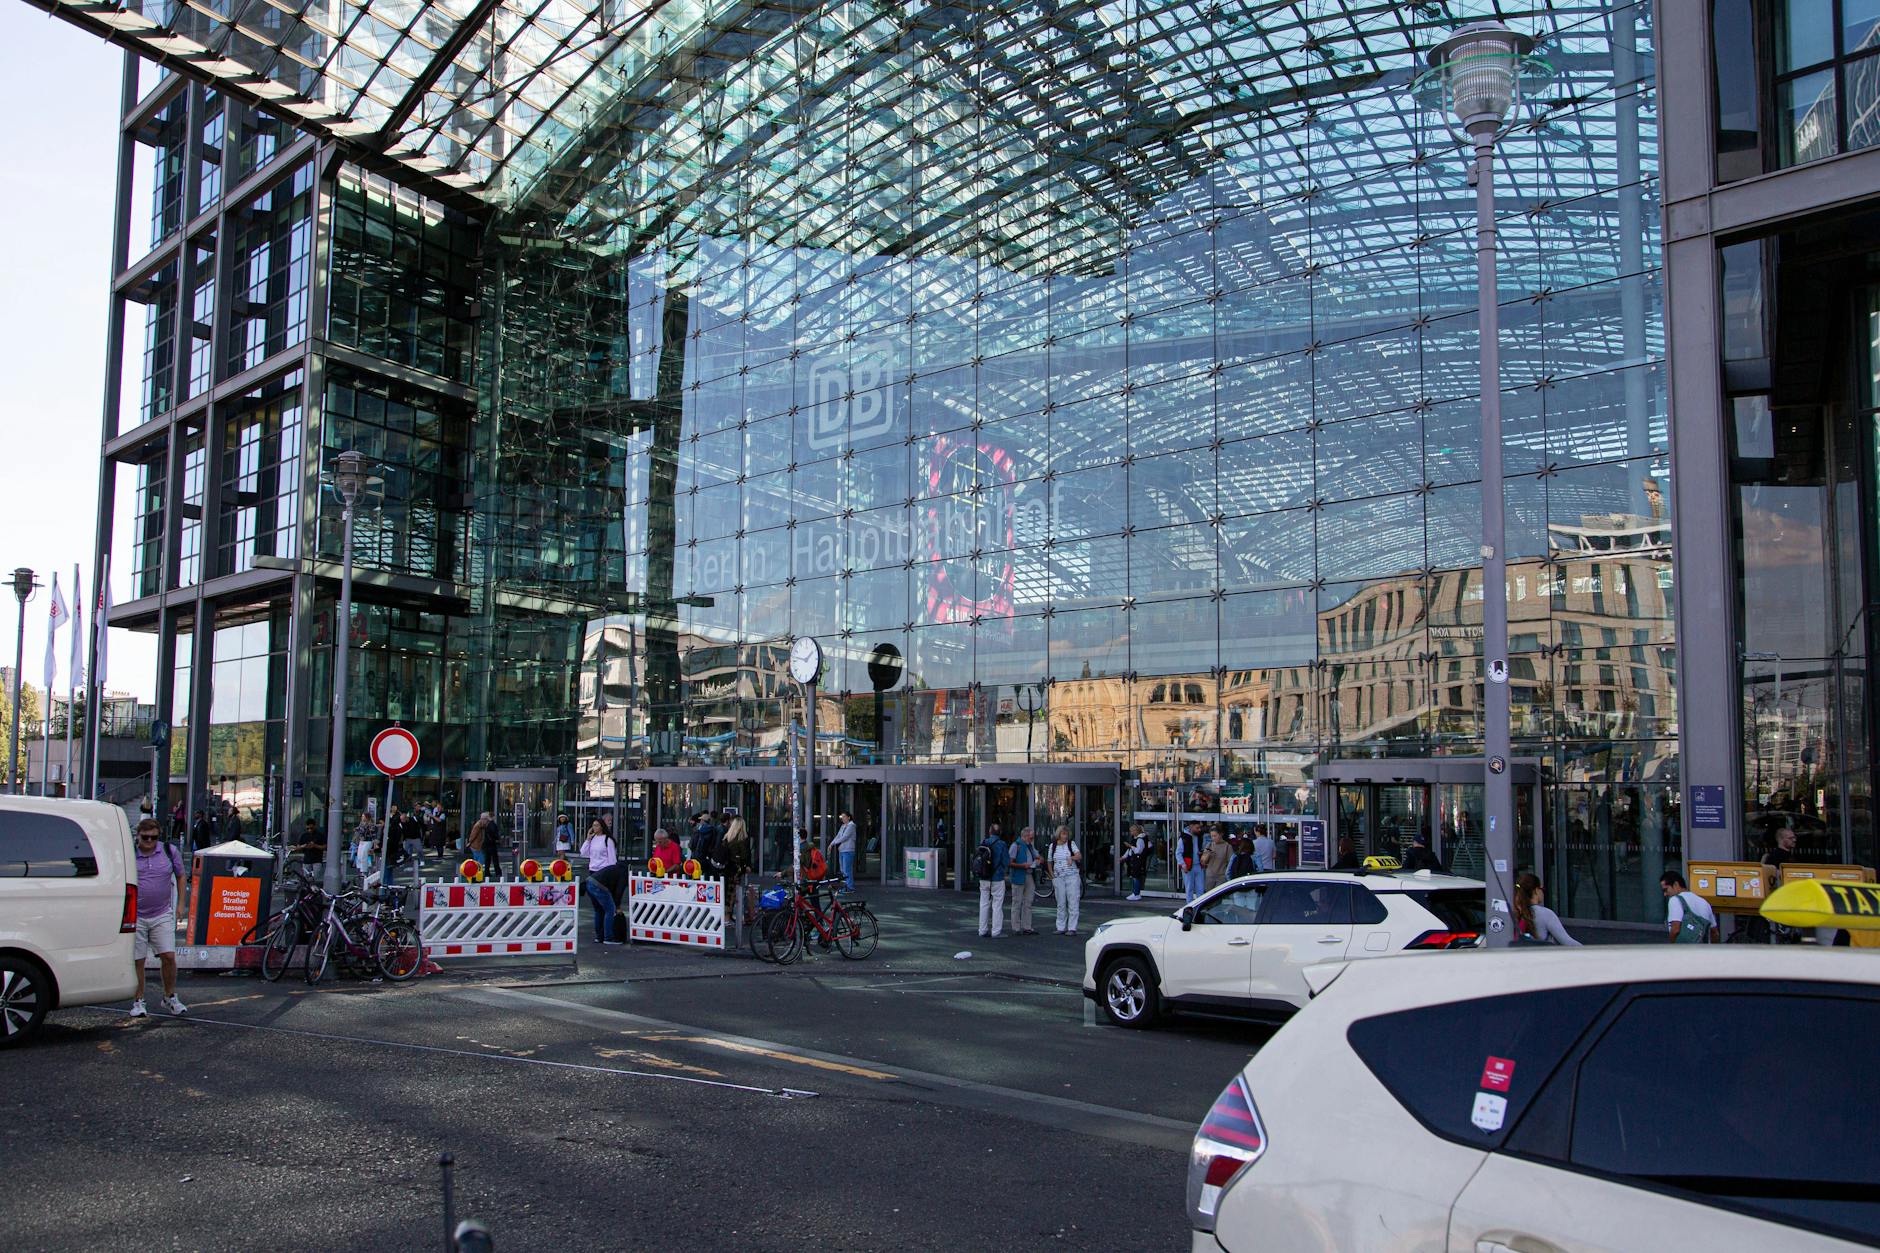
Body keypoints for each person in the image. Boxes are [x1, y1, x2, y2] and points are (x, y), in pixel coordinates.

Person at [129, 818, 188, 1018]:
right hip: (135, 915)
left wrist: (180, 905)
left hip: (162, 912)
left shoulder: (169, 852)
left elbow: (181, 875)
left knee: (169, 956)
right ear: (138, 836)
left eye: (153, 837)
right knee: (138, 959)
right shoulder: (129, 853)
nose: (149, 841)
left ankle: (170, 996)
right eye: (145, 837)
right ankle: (138, 1000)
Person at [1513, 873, 1581, 946]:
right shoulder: (1544, 914)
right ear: (1536, 890)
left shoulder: (1514, 912)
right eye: (1542, 889)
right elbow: (1568, 942)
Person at [1662, 870, 1719, 943]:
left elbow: (1675, 929)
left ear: (1676, 884)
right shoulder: (1704, 902)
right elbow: (1714, 933)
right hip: (1703, 951)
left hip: (1685, 950)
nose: (1665, 894)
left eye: (1666, 889)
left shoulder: (1675, 900)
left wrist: (1672, 948)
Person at [974, 825, 1009, 937]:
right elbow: (1006, 861)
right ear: (1000, 833)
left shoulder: (984, 842)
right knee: (997, 905)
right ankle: (996, 931)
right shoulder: (1002, 844)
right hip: (997, 877)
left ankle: (982, 930)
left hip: (984, 877)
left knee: (983, 904)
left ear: (990, 832)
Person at [585, 858, 629, 945]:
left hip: (590, 882)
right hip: (600, 886)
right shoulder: (623, 873)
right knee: (610, 910)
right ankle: (608, 937)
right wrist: (617, 906)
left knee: (599, 910)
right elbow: (619, 891)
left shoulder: (613, 868)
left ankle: (599, 936)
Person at [1049, 825, 1083, 935]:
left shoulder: (1071, 844)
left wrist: (1071, 858)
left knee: (1073, 901)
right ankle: (1061, 927)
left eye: (1066, 834)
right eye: (1063, 834)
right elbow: (1049, 861)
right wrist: (1052, 876)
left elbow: (1079, 856)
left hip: (1071, 875)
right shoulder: (1052, 846)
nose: (1065, 836)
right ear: (1058, 834)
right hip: (1058, 876)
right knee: (1061, 902)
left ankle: (1072, 928)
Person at [1007, 826, 1040, 935]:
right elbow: (1009, 862)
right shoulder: (1015, 846)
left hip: (1028, 875)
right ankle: (1016, 927)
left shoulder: (1029, 846)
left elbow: (1038, 856)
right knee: (1017, 902)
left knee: (1028, 901)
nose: (1032, 840)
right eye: (1031, 838)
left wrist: (1039, 860)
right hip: (1019, 875)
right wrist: (1022, 865)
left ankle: (1027, 926)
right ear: (1024, 837)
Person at [830, 810, 859, 891]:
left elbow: (845, 837)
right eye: (842, 817)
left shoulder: (851, 825)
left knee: (847, 870)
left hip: (848, 850)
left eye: (844, 817)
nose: (843, 818)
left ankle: (850, 887)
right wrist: (831, 844)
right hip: (842, 850)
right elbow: (838, 836)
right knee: (843, 870)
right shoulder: (843, 826)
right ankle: (845, 886)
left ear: (849, 817)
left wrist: (834, 843)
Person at [1178, 821, 1206, 903]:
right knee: (1189, 888)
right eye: (1197, 828)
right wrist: (1183, 864)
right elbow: (1178, 853)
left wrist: (1202, 853)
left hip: (1198, 866)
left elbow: (1203, 848)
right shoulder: (1184, 838)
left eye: (1199, 828)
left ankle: (1199, 906)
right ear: (1191, 827)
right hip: (1188, 866)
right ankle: (1189, 907)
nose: (1199, 830)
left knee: (1200, 889)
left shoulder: (1199, 837)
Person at [1201, 825, 1232, 891]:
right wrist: (1207, 854)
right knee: (1209, 897)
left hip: (1221, 876)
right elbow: (1203, 862)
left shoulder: (1227, 846)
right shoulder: (1209, 845)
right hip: (1210, 876)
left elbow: (1230, 862)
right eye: (1212, 836)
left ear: (1221, 835)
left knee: (1218, 898)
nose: (1213, 838)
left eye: (1215, 836)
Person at [1122, 823, 1148, 901]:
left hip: (1138, 860)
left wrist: (1130, 846)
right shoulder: (1136, 839)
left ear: (1136, 831)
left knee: (1136, 876)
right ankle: (1135, 892)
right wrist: (1124, 856)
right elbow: (1130, 850)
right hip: (1135, 859)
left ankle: (1136, 893)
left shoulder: (1140, 839)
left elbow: (1138, 850)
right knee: (1134, 876)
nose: (1131, 833)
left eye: (1132, 831)